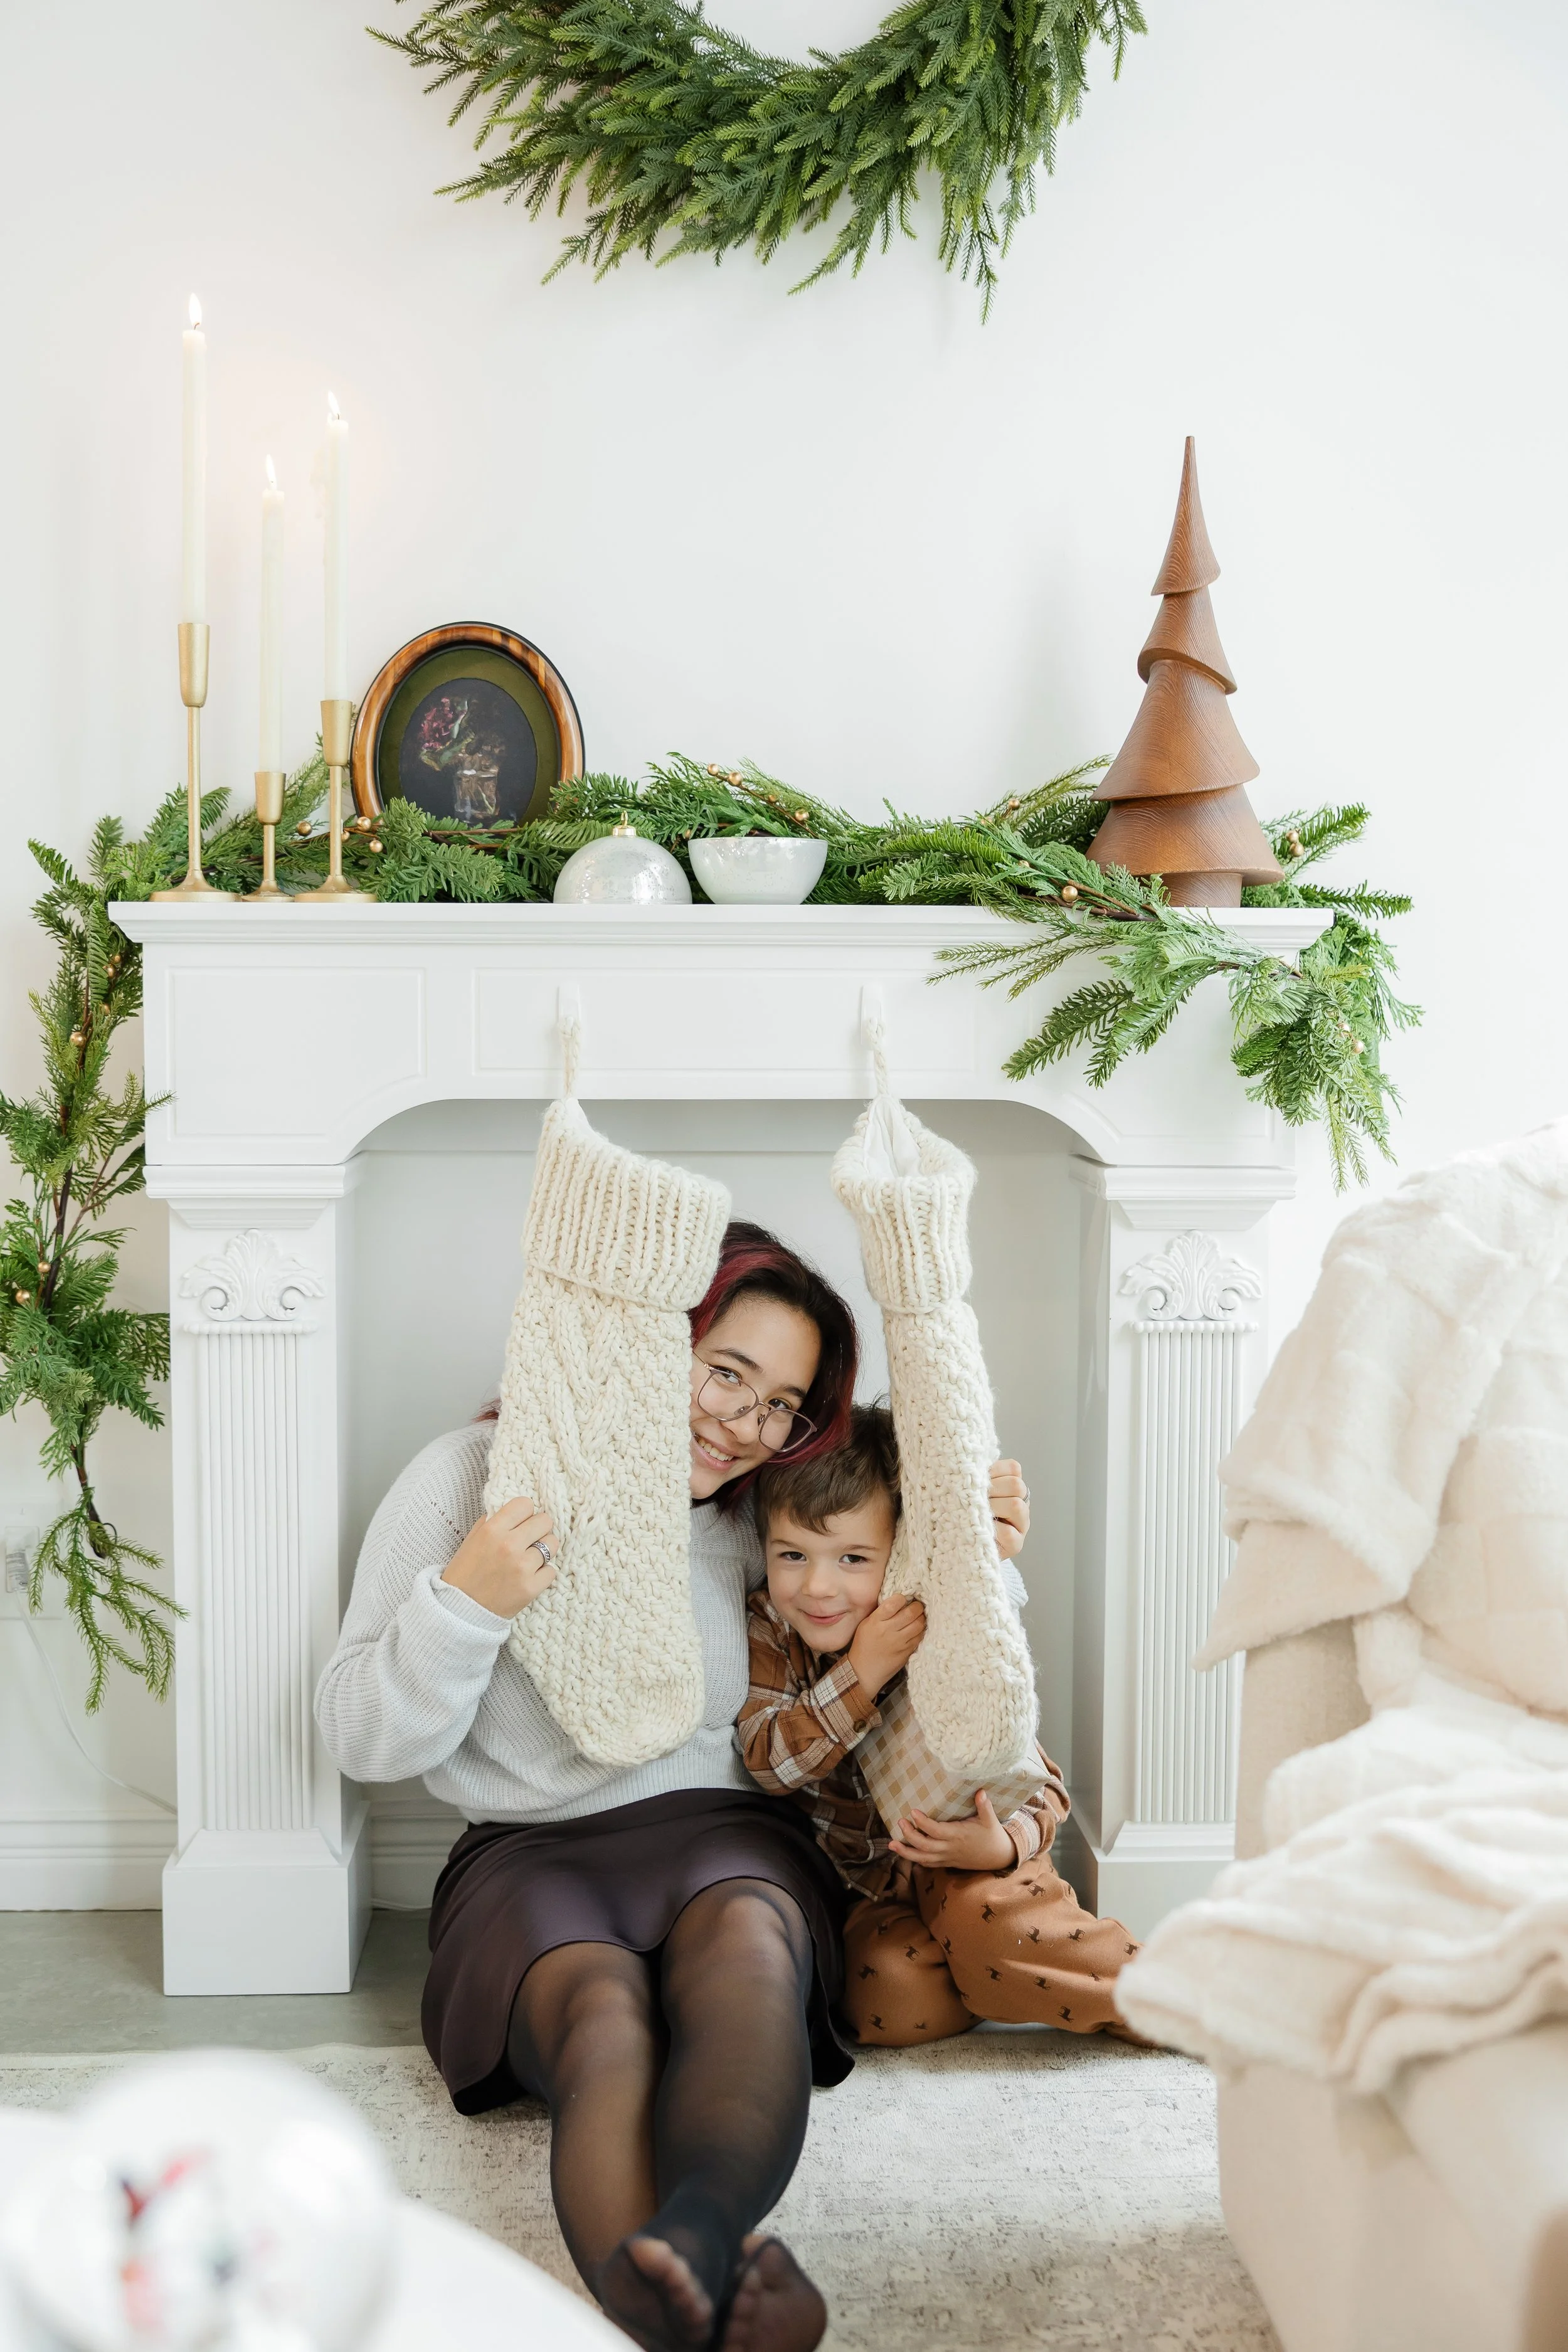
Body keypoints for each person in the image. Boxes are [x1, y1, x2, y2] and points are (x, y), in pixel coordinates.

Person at [316, 1222, 1030, 2352]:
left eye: (780, 1403)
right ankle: (691, 2321)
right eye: (726, 1373)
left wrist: (976, 1557)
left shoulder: (768, 1515)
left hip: (734, 1830)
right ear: (651, 1340)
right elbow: (360, 1733)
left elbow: (898, 1607)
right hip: (530, 1851)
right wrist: (466, 1603)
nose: (743, 1424)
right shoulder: (470, 1479)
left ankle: (698, 2238)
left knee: (748, 1942)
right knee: (601, 2018)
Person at [738, 1406, 1142, 2047]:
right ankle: (994, 1975)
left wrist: (1002, 1847)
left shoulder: (938, 1626)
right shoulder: (771, 1626)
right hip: (866, 1890)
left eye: (851, 1558)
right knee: (881, 1999)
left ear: (898, 1555)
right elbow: (767, 1760)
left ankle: (1174, 1998)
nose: (817, 1586)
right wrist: (860, 1675)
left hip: (976, 1871)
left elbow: (1042, 1787)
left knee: (986, 1919)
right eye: (792, 1554)